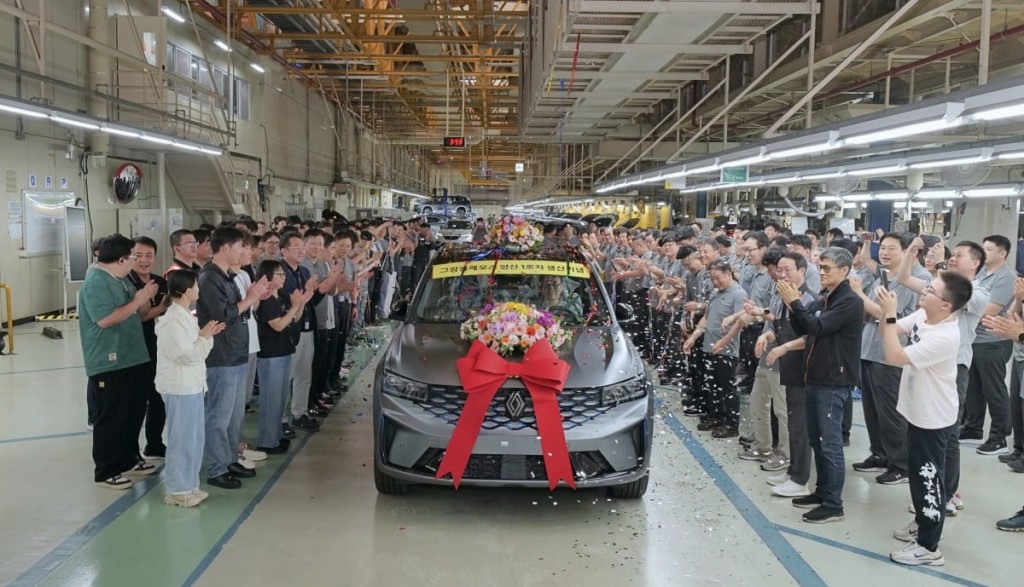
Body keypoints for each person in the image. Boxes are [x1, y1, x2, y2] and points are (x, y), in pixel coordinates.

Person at [877, 271, 972, 566]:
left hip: (934, 417)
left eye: (931, 291)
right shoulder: (924, 316)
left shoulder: (945, 336)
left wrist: (890, 315)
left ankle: (929, 548)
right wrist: (887, 313)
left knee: (928, 481)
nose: (924, 292)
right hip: (917, 411)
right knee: (920, 478)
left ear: (946, 305)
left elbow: (893, 355)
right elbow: (888, 331)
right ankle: (923, 523)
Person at [778, 246, 864, 524]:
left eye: (827, 268)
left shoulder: (848, 301)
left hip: (833, 380)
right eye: (822, 267)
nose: (823, 273)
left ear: (845, 270)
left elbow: (818, 328)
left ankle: (833, 503)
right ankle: (822, 491)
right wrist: (794, 305)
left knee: (830, 443)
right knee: (817, 440)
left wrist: (795, 303)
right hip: (815, 377)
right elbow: (804, 327)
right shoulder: (827, 298)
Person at [78, 234, 159, 489]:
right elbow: (105, 319)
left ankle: (128, 458)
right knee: (111, 417)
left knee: (132, 413)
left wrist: (161, 303)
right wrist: (138, 301)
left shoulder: (121, 279)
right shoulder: (96, 282)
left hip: (133, 357)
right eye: (133, 257)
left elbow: (141, 313)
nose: (137, 261)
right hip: (109, 360)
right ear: (122, 259)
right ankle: (106, 470)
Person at [197, 227, 270, 489]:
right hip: (221, 357)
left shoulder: (228, 276)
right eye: (241, 246)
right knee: (219, 415)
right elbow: (222, 314)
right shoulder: (209, 278)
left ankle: (229, 459)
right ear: (226, 247)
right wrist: (249, 299)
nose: (245, 251)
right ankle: (216, 468)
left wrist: (254, 297)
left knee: (234, 415)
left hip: (237, 354)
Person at [155, 270, 224, 507]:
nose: (198, 290)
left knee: (195, 438)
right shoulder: (171, 321)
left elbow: (198, 352)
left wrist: (206, 336)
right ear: (186, 291)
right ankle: (176, 489)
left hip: (193, 385)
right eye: (196, 286)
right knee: (181, 439)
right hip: (179, 387)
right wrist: (204, 338)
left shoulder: (186, 315)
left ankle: (190, 485)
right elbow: (186, 355)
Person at [962, 235, 1016, 455]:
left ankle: (999, 436)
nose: (985, 253)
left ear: (1002, 253)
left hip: (994, 341)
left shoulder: (1006, 276)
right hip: (975, 339)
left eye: (989, 249)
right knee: (973, 387)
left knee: (994, 389)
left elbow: (990, 310)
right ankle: (973, 427)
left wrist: (963, 310)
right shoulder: (982, 273)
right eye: (983, 249)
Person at [684, 259, 746, 438]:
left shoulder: (739, 294)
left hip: (726, 350)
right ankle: (716, 416)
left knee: (727, 388)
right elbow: (706, 317)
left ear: (729, 274)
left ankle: (731, 424)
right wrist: (694, 337)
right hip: (709, 345)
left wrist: (724, 342)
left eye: (718, 278)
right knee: (711, 385)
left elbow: (740, 323)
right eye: (712, 279)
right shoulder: (715, 292)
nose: (715, 282)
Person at [255, 259, 311, 454]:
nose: (283, 276)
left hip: (284, 351)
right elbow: (278, 325)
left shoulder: (281, 296)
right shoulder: (267, 299)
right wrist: (295, 307)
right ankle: (267, 442)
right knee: (271, 399)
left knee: (280, 398)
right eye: (279, 274)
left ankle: (276, 435)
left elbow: (294, 318)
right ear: (268, 276)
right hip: (271, 354)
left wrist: (300, 304)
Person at [126, 237, 169, 460]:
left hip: (159, 349)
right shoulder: (126, 283)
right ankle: (132, 451)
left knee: (158, 397)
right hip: (136, 352)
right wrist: (160, 307)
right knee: (137, 402)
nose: (144, 261)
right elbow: (138, 318)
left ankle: (155, 443)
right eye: (138, 255)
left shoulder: (161, 282)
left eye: (149, 256)